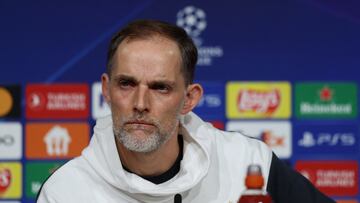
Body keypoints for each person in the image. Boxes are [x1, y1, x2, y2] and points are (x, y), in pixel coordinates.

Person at [37, 19, 334, 203]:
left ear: (190, 99)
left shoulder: (247, 162)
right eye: (126, 84)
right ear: (106, 89)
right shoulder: (66, 191)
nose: (140, 103)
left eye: (160, 87)